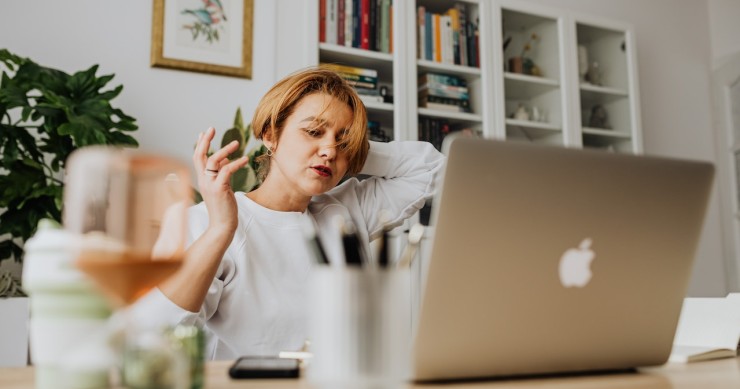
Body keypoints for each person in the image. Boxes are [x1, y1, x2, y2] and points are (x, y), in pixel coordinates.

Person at [136, 67, 446, 360]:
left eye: (343, 140)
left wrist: (349, 149)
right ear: (270, 134)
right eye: (313, 130)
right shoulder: (203, 221)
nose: (330, 150)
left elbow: (431, 168)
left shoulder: (348, 211)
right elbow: (152, 335)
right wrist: (221, 229)